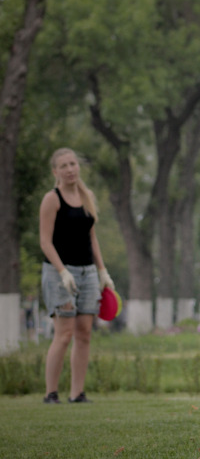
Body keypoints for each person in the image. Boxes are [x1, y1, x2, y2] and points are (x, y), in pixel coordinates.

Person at [39, 148, 114, 404]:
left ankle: (77, 393)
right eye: (64, 165)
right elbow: (45, 242)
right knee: (64, 333)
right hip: (59, 272)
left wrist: (102, 271)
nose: (70, 169)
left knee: (84, 333)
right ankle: (51, 393)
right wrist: (62, 272)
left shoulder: (87, 196)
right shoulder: (52, 199)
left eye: (73, 163)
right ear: (55, 172)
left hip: (88, 272)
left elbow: (91, 237)